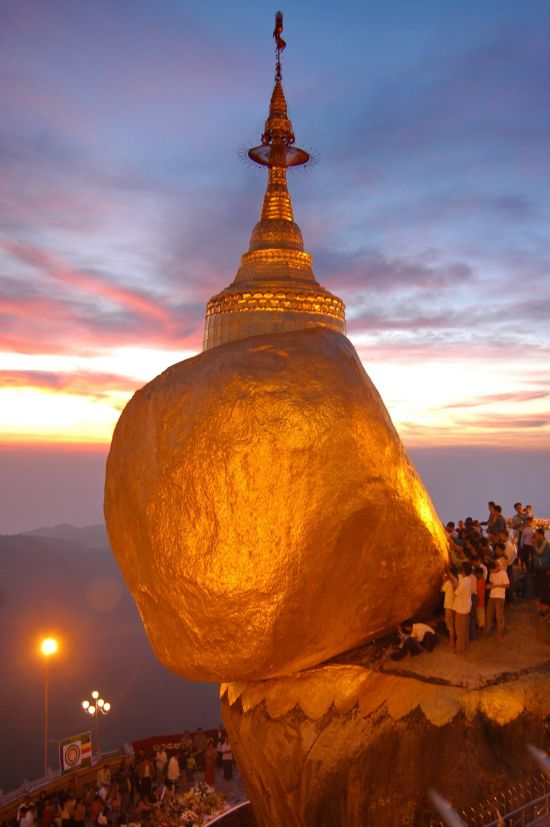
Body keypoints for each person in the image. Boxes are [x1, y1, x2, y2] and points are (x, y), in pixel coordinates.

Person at [485, 558, 510, 638]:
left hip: (500, 597)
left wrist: (496, 585)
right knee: (489, 614)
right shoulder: (492, 574)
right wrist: (489, 586)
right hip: (492, 596)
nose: (491, 572)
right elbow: (491, 582)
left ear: (495, 568)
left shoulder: (503, 573)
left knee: (499, 616)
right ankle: (487, 631)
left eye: (491, 570)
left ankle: (500, 633)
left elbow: (507, 585)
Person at [453, 562, 473, 653]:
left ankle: (460, 648)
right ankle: (465, 644)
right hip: (467, 606)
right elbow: (461, 578)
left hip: (461, 608)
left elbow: (457, 593)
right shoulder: (469, 579)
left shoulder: (463, 582)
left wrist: (454, 586)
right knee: (465, 628)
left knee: (459, 629)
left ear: (464, 571)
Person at [441, 567, 457, 648]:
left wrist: (443, 580)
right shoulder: (457, 580)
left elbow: (441, 590)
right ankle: (454, 640)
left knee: (450, 624)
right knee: (453, 623)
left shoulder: (448, 582)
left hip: (449, 606)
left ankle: (452, 642)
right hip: (455, 606)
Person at [533, 528, 550, 603]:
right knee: (540, 584)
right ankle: (542, 598)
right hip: (539, 567)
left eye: (536, 534)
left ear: (540, 535)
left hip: (544, 567)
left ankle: (545, 601)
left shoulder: (545, 543)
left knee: (544, 585)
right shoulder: (539, 542)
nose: (535, 536)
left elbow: (539, 552)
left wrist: (534, 546)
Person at [474, 567, 486, 634]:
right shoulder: (480, 580)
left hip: (480, 602)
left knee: (480, 616)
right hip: (479, 601)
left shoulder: (481, 581)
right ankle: (480, 628)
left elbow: (476, 589)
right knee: (479, 615)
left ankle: (480, 629)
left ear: (479, 574)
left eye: (476, 574)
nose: (475, 575)